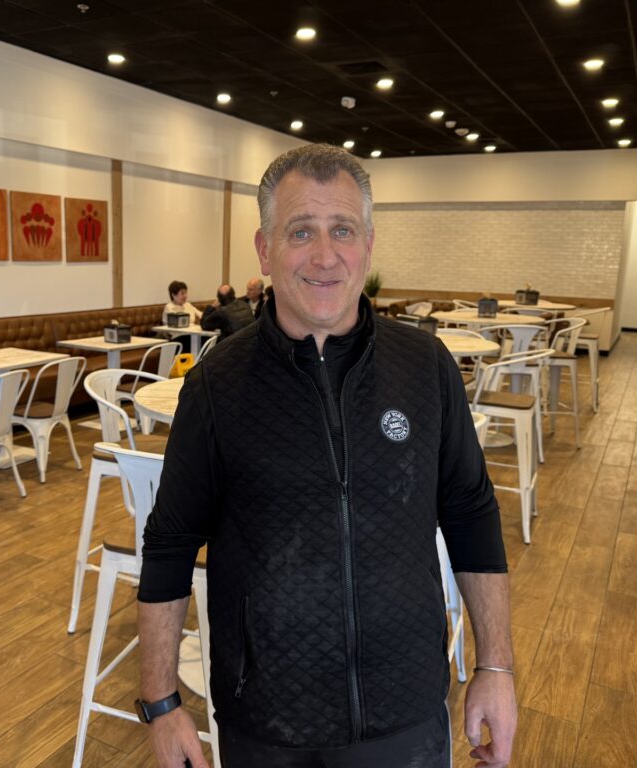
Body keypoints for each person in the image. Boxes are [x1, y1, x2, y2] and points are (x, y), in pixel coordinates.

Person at [136, 144, 517, 768]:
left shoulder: (424, 368)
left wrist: (495, 666)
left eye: (342, 229)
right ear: (264, 248)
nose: (324, 255)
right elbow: (171, 543)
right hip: (265, 717)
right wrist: (160, 701)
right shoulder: (216, 387)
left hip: (407, 707)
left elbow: (473, 514)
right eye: (300, 231)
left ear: (367, 244)